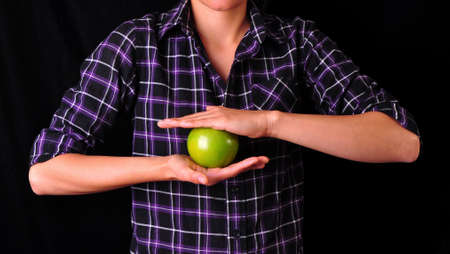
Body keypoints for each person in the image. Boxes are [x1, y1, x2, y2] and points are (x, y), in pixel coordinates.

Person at [28, 0, 421, 253]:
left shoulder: (298, 42)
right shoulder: (137, 43)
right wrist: (167, 167)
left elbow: (402, 144)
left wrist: (269, 122)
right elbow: (46, 174)